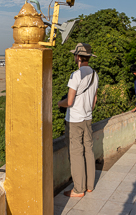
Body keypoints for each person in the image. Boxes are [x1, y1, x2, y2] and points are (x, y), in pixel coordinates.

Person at [59, 43, 99, 198]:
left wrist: (58, 104)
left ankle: (78, 189)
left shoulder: (76, 75)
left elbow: (69, 102)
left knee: (76, 153)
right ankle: (89, 186)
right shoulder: (95, 75)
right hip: (88, 118)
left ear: (78, 57)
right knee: (88, 150)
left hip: (75, 120)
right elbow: (94, 100)